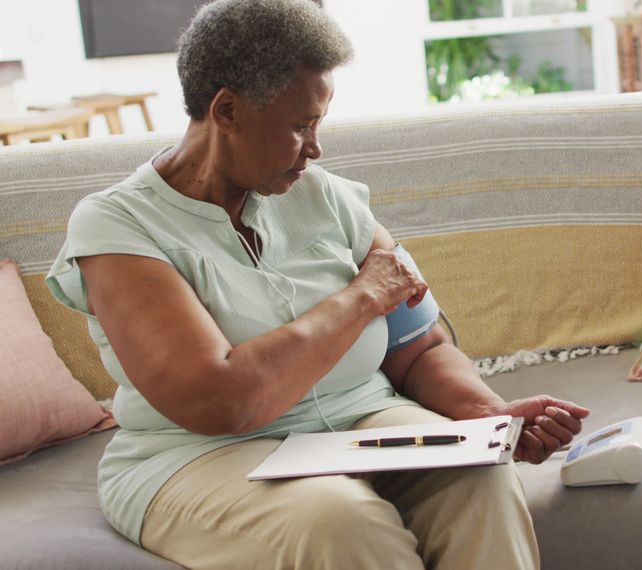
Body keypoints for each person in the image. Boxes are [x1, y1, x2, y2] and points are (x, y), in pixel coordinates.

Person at [45, 0, 589, 568]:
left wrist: (486, 416)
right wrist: (359, 299)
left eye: (318, 124)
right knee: (340, 521)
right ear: (226, 110)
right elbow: (221, 401)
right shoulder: (117, 226)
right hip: (199, 454)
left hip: (361, 421)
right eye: (300, 126)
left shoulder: (326, 196)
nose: (315, 147)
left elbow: (419, 346)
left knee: (480, 479)